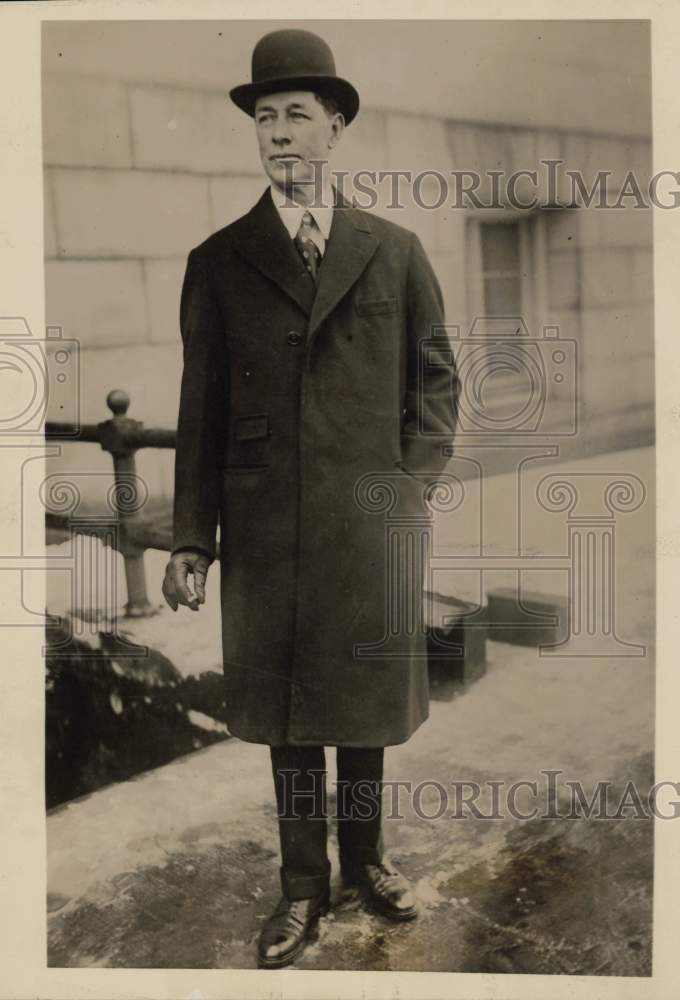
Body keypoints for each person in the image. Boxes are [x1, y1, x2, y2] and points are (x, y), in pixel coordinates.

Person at [162, 28, 460, 969]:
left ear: (335, 127)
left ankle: (366, 863)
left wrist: (407, 487)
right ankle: (301, 887)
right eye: (265, 116)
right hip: (266, 529)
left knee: (364, 706)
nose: (280, 131)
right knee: (288, 713)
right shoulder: (218, 261)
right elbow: (199, 411)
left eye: (298, 113)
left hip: (369, 523)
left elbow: (436, 382)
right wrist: (191, 540)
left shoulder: (395, 250)